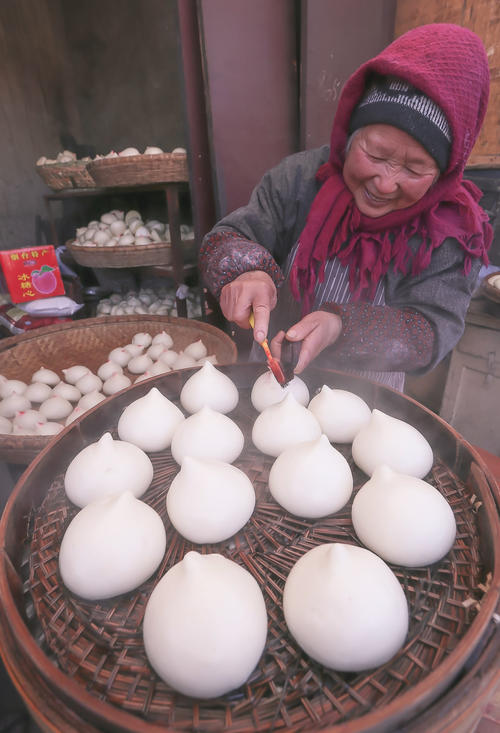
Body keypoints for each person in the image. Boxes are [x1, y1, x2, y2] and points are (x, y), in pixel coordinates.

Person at [199, 23, 492, 391]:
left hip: (372, 405)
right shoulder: (302, 179)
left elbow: (430, 332)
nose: (385, 183)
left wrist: (342, 326)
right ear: (348, 135)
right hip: (273, 385)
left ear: (444, 173)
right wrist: (246, 272)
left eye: (415, 169)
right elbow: (228, 236)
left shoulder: (452, 232)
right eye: (375, 154)